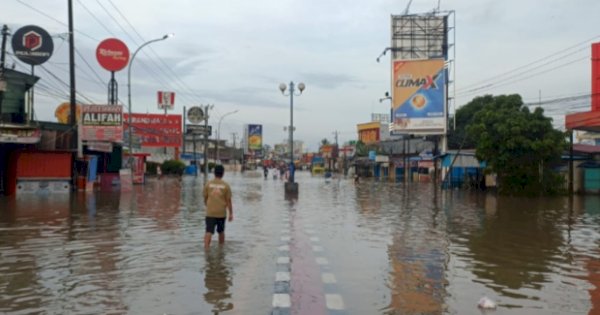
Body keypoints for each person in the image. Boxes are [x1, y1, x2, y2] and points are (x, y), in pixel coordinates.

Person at [203, 165, 233, 249]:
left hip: (210, 213)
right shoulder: (226, 185)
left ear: (214, 173)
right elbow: (229, 201)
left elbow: (205, 198)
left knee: (208, 231)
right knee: (221, 231)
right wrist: (231, 214)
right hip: (221, 213)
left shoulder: (208, 184)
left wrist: (208, 206)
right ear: (223, 173)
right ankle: (221, 249)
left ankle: (206, 249)